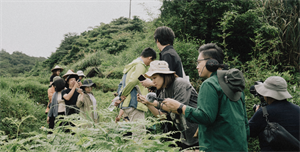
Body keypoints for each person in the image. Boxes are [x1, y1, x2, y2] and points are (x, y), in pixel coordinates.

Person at [162, 43, 249, 152]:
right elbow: (245, 124)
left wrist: (180, 107)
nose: (197, 66)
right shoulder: (234, 84)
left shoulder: (209, 84)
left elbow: (206, 117)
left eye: (199, 62)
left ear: (211, 62)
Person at [137, 60, 199, 150]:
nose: (153, 82)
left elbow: (177, 109)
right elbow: (162, 116)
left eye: (154, 78)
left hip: (199, 132)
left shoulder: (180, 84)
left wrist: (152, 102)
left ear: (164, 75)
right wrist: (147, 104)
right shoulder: (163, 91)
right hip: (186, 135)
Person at [249, 76, 300, 152]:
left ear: (267, 94)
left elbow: (249, 132)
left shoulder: (263, 112)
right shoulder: (298, 109)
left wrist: (257, 114)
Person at [114, 47, 156, 123]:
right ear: (150, 58)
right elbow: (132, 81)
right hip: (135, 104)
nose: (150, 64)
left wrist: (120, 96)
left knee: (130, 132)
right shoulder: (141, 66)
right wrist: (122, 96)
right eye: (151, 61)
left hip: (127, 104)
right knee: (139, 132)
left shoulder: (131, 65)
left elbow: (122, 83)